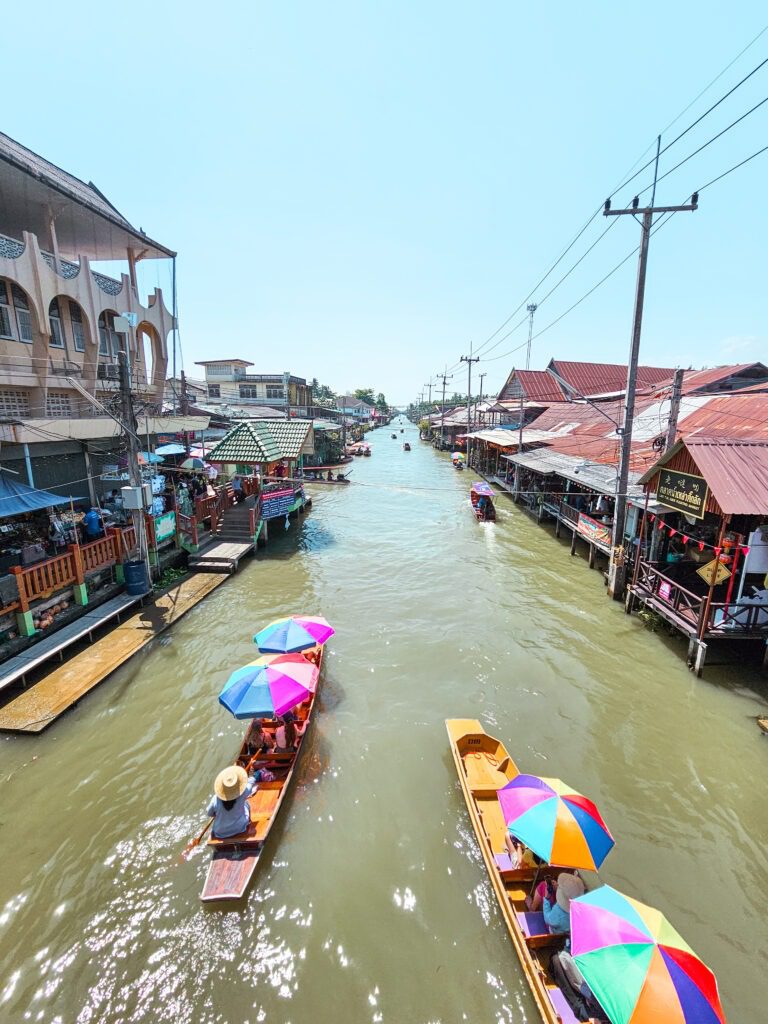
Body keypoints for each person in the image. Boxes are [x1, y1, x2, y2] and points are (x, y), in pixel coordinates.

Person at [206, 764, 273, 840]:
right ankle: (248, 824)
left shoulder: (215, 798)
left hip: (220, 833)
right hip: (240, 828)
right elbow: (251, 782)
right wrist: (252, 775)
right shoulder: (242, 793)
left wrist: (217, 812)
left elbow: (209, 813)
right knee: (246, 803)